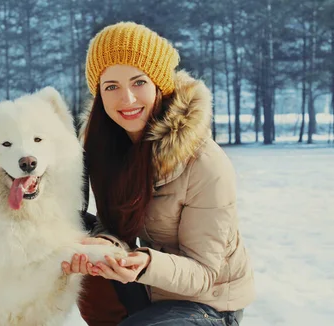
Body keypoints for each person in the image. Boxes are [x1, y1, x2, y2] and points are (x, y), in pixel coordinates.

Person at [61, 22, 255, 326]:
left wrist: (146, 264)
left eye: (138, 82)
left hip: (207, 304)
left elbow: (205, 274)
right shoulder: (105, 149)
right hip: (147, 290)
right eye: (111, 86)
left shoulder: (203, 162)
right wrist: (107, 246)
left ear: (159, 84)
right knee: (75, 225)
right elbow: (113, 227)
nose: (126, 99)